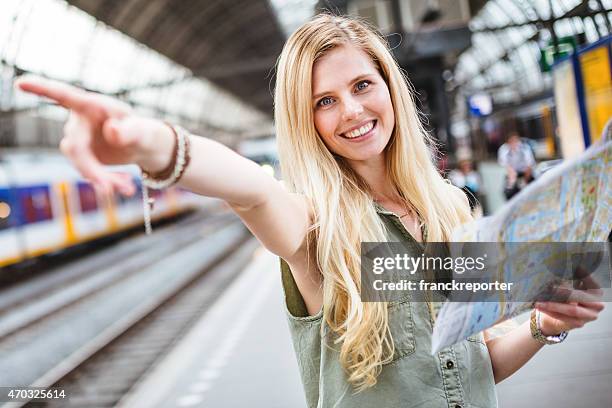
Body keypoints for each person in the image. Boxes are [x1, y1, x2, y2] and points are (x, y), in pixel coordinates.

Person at [15, 14, 604, 408]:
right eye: (325, 101)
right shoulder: (315, 228)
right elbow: (251, 189)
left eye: (362, 85)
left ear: (390, 88)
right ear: (307, 120)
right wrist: (152, 145)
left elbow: (472, 370)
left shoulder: (449, 210)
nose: (351, 111)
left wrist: (539, 327)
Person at [497, 131, 536, 199]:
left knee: (532, 191)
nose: (515, 144)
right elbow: (507, 167)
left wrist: (525, 182)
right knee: (508, 192)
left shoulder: (525, 148)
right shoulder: (504, 149)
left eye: (516, 141)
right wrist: (512, 181)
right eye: (512, 142)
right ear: (508, 143)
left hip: (526, 173)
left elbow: (529, 166)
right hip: (513, 174)